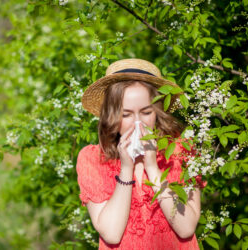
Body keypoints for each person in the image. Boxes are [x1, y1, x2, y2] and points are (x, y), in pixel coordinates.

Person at [76, 58, 204, 249]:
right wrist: (127, 168)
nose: (138, 123)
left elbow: (186, 228)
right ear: (112, 116)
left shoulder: (182, 151)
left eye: (145, 112)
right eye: (126, 115)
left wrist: (152, 167)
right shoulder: (93, 159)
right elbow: (111, 233)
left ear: (157, 111)